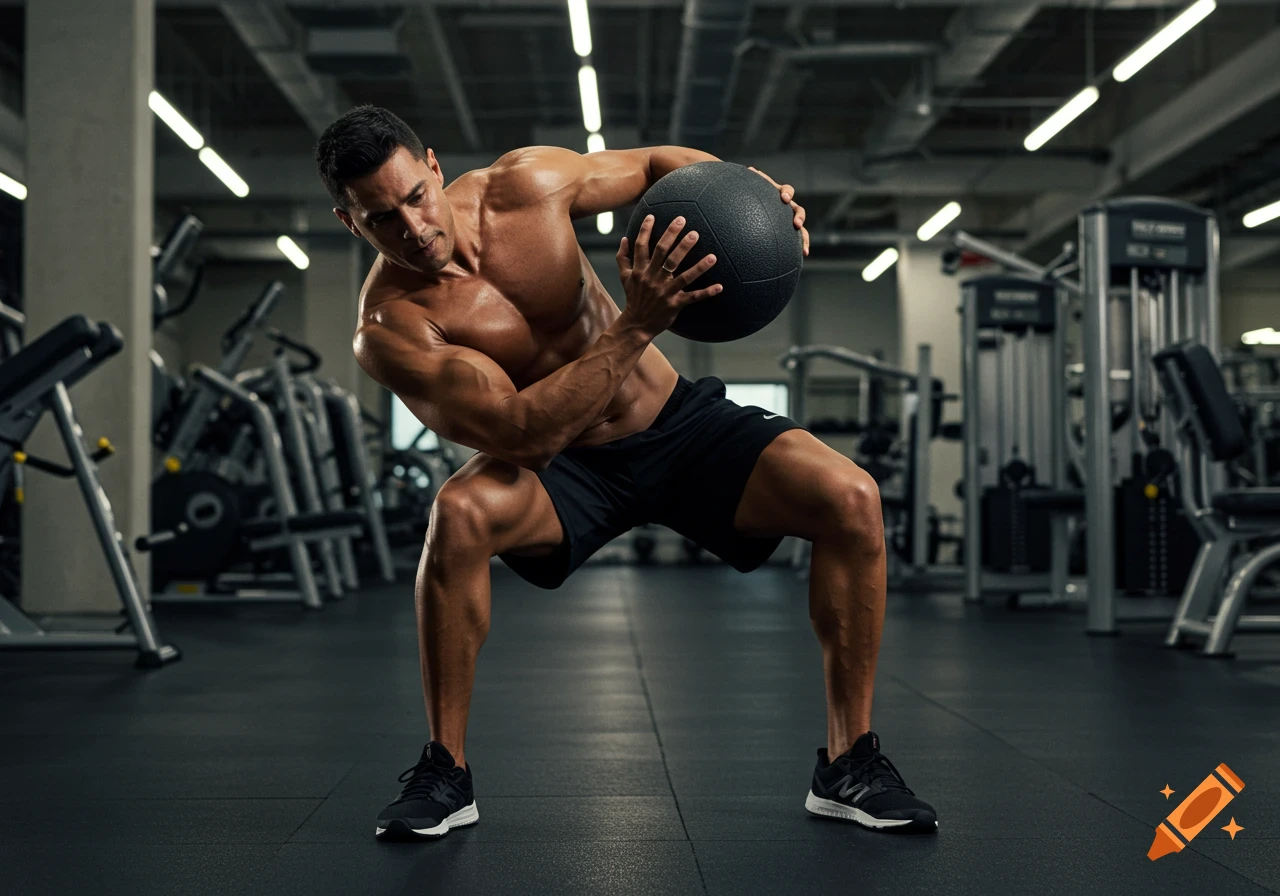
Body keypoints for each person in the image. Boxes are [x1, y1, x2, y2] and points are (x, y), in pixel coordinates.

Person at [314, 105, 938, 841]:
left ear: (434, 167)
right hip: (562, 464)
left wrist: (752, 198)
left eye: (415, 196)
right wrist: (636, 324)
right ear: (351, 224)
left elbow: (655, 166)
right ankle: (444, 769)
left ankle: (848, 762)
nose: (414, 228)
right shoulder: (391, 327)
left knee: (852, 496)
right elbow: (526, 434)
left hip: (675, 423)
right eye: (383, 219)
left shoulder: (527, 183)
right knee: (459, 514)